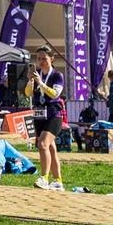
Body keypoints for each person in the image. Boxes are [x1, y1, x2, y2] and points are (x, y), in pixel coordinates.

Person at [24, 47, 66, 190]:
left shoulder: (57, 75)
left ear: (51, 59)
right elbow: (28, 93)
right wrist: (31, 81)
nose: (41, 62)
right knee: (51, 148)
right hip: (39, 115)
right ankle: (58, 180)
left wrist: (41, 83)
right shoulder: (37, 74)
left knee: (42, 144)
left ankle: (44, 178)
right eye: (39, 59)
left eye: (44, 59)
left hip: (54, 114)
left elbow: (55, 94)